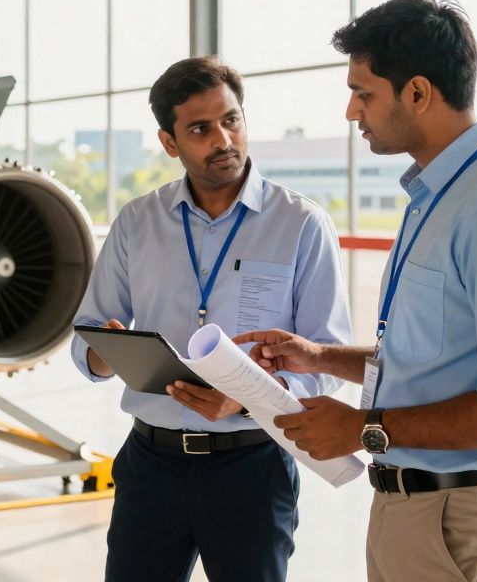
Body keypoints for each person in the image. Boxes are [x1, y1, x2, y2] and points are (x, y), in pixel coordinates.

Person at [236, 0, 477, 581]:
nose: (350, 112)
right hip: (416, 508)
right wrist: (319, 357)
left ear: (418, 93)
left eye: (363, 93)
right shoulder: (439, 196)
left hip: (469, 521)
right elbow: (432, 359)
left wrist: (364, 428)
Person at [72, 56, 352, 582]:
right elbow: (90, 331)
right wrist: (105, 352)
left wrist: (246, 399)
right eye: (200, 129)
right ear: (170, 142)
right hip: (151, 463)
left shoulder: (301, 224)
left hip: (252, 466)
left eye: (231, 120)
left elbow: (325, 359)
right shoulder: (137, 221)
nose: (222, 139)